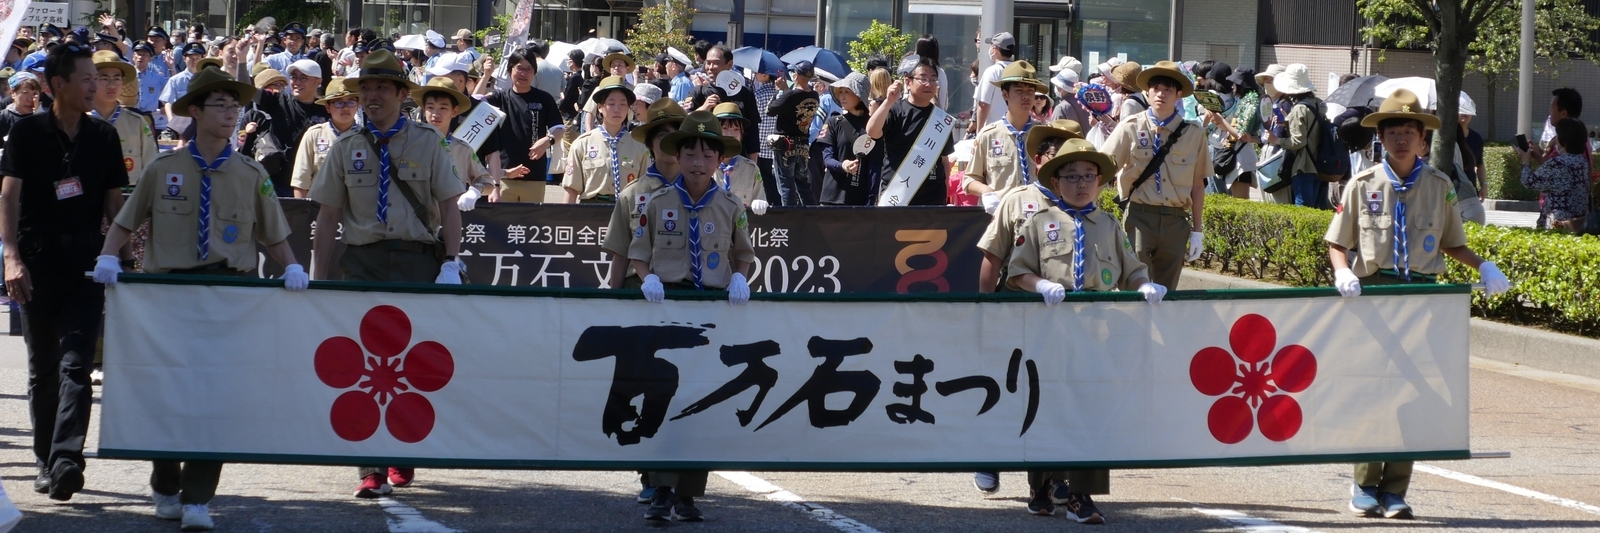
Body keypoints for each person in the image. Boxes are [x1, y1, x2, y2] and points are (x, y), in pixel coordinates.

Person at [93, 66, 308, 531]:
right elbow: (127, 220)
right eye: (220, 105)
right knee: (166, 392)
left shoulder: (250, 173)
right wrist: (109, 256)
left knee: (218, 396)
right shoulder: (163, 168)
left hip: (229, 294)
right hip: (170, 295)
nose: (230, 114)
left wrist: (292, 265)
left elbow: (273, 232)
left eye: (235, 106)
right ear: (195, 111)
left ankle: (198, 497)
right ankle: (165, 480)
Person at [1327, 89, 1511, 520]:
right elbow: (1337, 242)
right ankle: (1363, 485)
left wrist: (1484, 266)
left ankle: (1395, 489)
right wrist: (1343, 271)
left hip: (1422, 299)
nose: (1401, 139)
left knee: (1413, 393)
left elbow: (1452, 244)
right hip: (1376, 295)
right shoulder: (1362, 185)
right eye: (1393, 131)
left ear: (1423, 140)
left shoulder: (1439, 186)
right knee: (1374, 391)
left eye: (1410, 131)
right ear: (1381, 138)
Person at [308, 50, 466, 499]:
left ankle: (401, 449)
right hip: (362, 261)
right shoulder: (346, 147)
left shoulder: (427, 142)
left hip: (416, 261)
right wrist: (319, 277)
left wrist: (451, 261)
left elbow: (450, 207)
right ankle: (369, 466)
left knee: (410, 363)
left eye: (381, 87)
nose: (371, 96)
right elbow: (327, 216)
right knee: (365, 365)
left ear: (401, 94)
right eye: (366, 88)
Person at [1010, 138, 1165, 523]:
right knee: (1047, 405)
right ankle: (1042, 483)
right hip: (1051, 330)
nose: (1081, 184)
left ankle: (1082, 495)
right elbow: (1016, 272)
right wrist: (1040, 285)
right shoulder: (1039, 223)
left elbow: (1131, 269)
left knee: (1094, 408)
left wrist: (1145, 285)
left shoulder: (1109, 225)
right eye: (1072, 176)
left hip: (1098, 331)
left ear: (1099, 182)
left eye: (1088, 176)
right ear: (1056, 182)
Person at [0, 41, 128, 503]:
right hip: (35, 263)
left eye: (97, 78)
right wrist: (11, 257)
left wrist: (124, 252)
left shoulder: (104, 137)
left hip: (86, 265)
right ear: (58, 84)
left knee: (77, 364)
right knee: (44, 369)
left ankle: (67, 459)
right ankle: (43, 460)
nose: (95, 86)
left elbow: (114, 204)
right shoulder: (27, 133)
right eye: (86, 78)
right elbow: (8, 197)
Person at [628, 112, 756, 522]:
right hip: (668, 306)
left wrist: (739, 277)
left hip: (710, 308)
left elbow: (744, 253)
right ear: (678, 157)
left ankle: (687, 494)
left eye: (707, 154)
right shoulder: (657, 202)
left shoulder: (731, 206)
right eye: (690, 154)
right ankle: (661, 489)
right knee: (664, 395)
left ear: (719, 159)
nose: (698, 162)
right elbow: (638, 251)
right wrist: (647, 278)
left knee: (701, 400)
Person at [1100, 60, 1209, 290]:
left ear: (1178, 95)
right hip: (1139, 216)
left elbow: (1197, 185)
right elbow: (1101, 171)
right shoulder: (1130, 127)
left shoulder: (1194, 134)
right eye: (1155, 88)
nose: (1161, 94)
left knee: (1166, 294)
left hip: (1175, 221)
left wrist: (1198, 231)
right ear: (1146, 92)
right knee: (1135, 287)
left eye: (1168, 89)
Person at [603, 98, 688, 291]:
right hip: (639, 289)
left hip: (689, 292)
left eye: (676, 135)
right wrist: (614, 301)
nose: (669, 142)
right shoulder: (631, 194)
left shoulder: (702, 192)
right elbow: (621, 255)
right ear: (649, 143)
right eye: (662, 135)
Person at [865, 57, 952, 206]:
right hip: (897, 195)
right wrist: (888, 102)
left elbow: (944, 160)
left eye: (933, 80)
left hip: (932, 196)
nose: (929, 84)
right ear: (908, 81)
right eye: (923, 79)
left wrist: (945, 191)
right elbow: (872, 132)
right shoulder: (895, 110)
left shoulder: (941, 119)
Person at [967, 61, 1048, 213]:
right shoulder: (988, 135)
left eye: (1030, 91)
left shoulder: (1045, 135)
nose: (1026, 96)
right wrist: (986, 191)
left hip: (1040, 214)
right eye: (1019, 91)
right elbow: (970, 179)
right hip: (1001, 215)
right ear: (1005, 94)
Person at [489, 46, 564, 203]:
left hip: (534, 176)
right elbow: (473, 102)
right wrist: (486, 76)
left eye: (528, 69)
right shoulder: (499, 98)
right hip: (504, 175)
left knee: (532, 218)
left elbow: (559, 129)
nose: (523, 73)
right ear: (510, 70)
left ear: (534, 72)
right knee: (501, 218)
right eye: (519, 68)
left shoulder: (544, 99)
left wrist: (548, 140)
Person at [250, 58, 330, 196]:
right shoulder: (278, 101)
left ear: (318, 82)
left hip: (313, 185)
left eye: (303, 78)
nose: (297, 82)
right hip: (277, 184)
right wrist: (241, 61)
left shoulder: (326, 109)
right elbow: (248, 91)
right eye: (294, 77)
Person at [415, 77, 495, 211]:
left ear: (454, 111)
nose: (435, 113)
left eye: (443, 108)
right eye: (430, 107)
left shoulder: (462, 149)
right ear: (424, 109)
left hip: (450, 215)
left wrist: (475, 191)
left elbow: (487, 182)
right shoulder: (410, 144)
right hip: (416, 217)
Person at [563, 75, 646, 203]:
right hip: (592, 208)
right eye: (611, 104)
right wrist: (566, 215)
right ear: (600, 107)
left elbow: (645, 189)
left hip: (627, 208)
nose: (617, 109)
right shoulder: (582, 144)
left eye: (623, 104)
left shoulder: (639, 146)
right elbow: (571, 189)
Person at [90, 50, 158, 188]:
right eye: (104, 78)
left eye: (117, 78)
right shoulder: (78, 121)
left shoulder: (137, 122)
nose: (111, 85)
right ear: (91, 81)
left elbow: (152, 167)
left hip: (128, 196)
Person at [816, 73, 879, 206]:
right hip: (832, 197)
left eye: (847, 92)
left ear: (859, 95)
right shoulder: (834, 122)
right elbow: (827, 158)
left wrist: (871, 200)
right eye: (840, 92)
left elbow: (874, 166)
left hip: (859, 198)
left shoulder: (873, 126)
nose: (842, 96)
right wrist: (842, 165)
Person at [688, 45, 761, 160]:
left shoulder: (745, 94)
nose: (711, 67)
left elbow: (752, 132)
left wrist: (753, 164)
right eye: (708, 63)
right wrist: (704, 108)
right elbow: (684, 123)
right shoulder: (698, 92)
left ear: (730, 64)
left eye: (716, 63)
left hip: (737, 159)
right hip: (705, 159)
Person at [1519, 117, 1591, 232]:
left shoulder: (1557, 163)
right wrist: (1539, 157)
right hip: (1579, 223)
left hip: (1558, 224)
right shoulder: (1583, 163)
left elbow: (1529, 181)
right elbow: (1558, 178)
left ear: (1563, 141)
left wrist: (1525, 161)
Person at [289, 77, 359, 197]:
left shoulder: (366, 137)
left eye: (351, 102)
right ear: (327, 107)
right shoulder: (314, 135)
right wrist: (302, 208)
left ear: (358, 105)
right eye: (338, 103)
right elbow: (301, 182)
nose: (346, 108)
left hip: (355, 206)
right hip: (320, 205)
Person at [1271, 64, 1328, 209]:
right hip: (1320, 164)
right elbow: (1312, 130)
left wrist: (1276, 140)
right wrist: (1287, 123)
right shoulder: (1318, 103)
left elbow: (1298, 142)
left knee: (1303, 210)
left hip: (1304, 166)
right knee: (1316, 211)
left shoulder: (1299, 109)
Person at [767, 60, 819, 206]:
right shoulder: (815, 95)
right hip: (803, 144)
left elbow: (770, 110)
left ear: (797, 75)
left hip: (786, 145)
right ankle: (811, 215)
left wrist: (779, 91)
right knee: (803, 184)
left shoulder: (790, 95)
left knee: (786, 185)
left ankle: (789, 216)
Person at [713, 102, 770, 210]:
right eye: (725, 128)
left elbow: (759, 197)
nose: (731, 134)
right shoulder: (704, 166)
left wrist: (760, 203)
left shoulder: (750, 169)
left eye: (736, 129)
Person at [159, 42, 214, 139]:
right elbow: (167, 102)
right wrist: (172, 122)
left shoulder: (208, 80)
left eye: (197, 58)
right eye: (191, 58)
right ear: (184, 59)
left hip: (203, 125)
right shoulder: (175, 80)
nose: (194, 61)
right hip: (181, 127)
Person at [968, 31, 1015, 134]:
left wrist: (979, 132)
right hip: (1016, 129)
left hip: (994, 130)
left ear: (995, 48)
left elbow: (983, 104)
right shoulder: (1018, 71)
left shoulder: (992, 71)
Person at [1451, 92, 1487, 225]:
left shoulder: (1476, 138)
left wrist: (1484, 184)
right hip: (1450, 189)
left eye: (1468, 110)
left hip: (1469, 190)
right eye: (1461, 110)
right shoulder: (1447, 137)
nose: (1464, 114)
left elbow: (1480, 164)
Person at [0, 73, 42, 139]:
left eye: (35, 93)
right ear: (13, 93)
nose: (30, 99)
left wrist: (38, 115)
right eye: (25, 92)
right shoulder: (3, 118)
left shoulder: (46, 119)